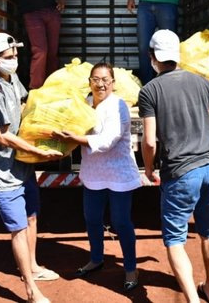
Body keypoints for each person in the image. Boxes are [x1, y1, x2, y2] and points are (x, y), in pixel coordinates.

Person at [138, 29, 209, 303]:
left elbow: (149, 142)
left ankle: (192, 299)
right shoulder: (202, 83)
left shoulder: (150, 91)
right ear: (177, 55)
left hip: (180, 173)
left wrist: (148, 169)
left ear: (152, 57)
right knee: (208, 231)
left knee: (175, 239)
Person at [0, 32, 64, 303]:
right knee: (18, 228)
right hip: (4, 172)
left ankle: (34, 267)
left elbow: (26, 105)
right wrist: (38, 150)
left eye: (15, 56)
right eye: (8, 57)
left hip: (23, 166)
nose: (14, 60)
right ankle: (30, 290)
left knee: (31, 218)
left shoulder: (12, 78)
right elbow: (3, 136)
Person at [51, 63, 141, 291]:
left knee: (121, 222)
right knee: (91, 218)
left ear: (113, 83)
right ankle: (96, 258)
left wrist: (76, 138)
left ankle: (130, 268)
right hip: (93, 172)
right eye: (96, 79)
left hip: (118, 172)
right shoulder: (85, 105)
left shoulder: (118, 106)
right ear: (89, 82)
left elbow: (108, 141)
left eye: (105, 80)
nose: (100, 84)